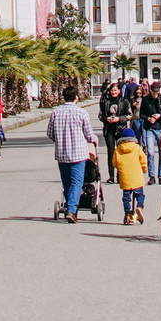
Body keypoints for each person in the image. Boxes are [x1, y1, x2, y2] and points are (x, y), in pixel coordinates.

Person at [48, 87, 100, 222]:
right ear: (76, 97)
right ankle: (71, 209)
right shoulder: (81, 112)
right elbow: (89, 134)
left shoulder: (56, 112)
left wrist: (59, 139)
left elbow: (50, 133)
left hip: (62, 153)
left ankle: (69, 206)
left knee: (66, 183)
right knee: (77, 182)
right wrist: (93, 139)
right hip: (78, 154)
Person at [113, 129, 149, 223]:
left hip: (125, 177)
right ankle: (140, 207)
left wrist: (120, 170)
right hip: (137, 176)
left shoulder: (118, 149)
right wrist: (144, 169)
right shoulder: (137, 148)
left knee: (126, 198)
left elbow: (114, 163)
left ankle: (128, 214)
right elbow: (143, 160)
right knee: (140, 194)